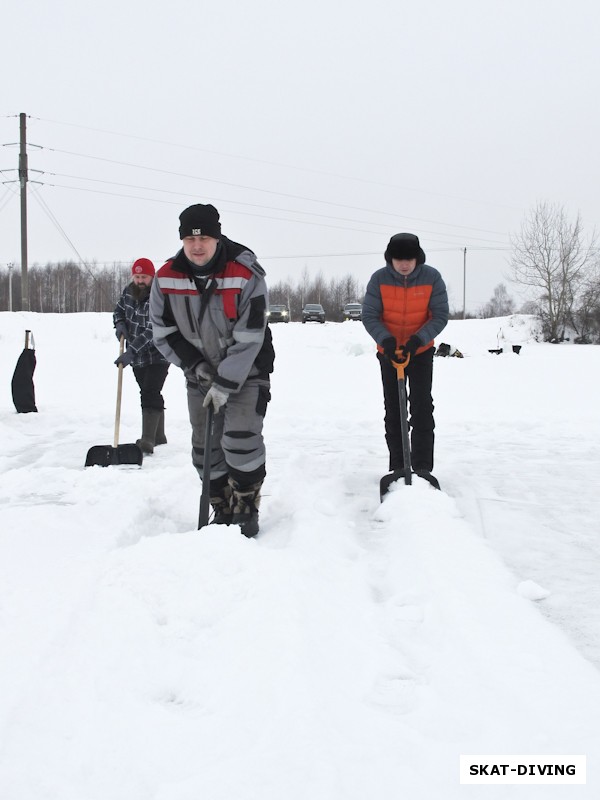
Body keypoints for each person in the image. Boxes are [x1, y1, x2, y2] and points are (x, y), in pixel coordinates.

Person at [150, 203, 274, 537]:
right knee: (205, 449)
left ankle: (245, 505)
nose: (197, 245)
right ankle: (221, 504)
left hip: (247, 371)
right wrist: (196, 366)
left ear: (216, 238)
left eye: (204, 237)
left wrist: (225, 381)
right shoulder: (165, 278)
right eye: (190, 239)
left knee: (240, 439)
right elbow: (163, 332)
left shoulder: (245, 274)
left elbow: (250, 337)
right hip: (200, 374)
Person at [362, 233, 449, 486]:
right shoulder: (379, 279)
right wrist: (387, 341)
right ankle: (399, 465)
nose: (404, 264)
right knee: (394, 409)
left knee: (422, 407)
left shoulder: (431, 278)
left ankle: (422, 466)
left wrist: (417, 341)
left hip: (420, 352)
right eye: (399, 259)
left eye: (408, 258)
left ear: (417, 258)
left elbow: (440, 315)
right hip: (389, 352)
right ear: (391, 258)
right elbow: (370, 315)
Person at [113, 258, 170, 454]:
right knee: (148, 391)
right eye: (137, 276)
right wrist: (120, 324)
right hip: (137, 358)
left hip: (158, 354)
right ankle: (159, 435)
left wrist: (131, 351)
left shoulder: (159, 296)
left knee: (150, 392)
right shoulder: (129, 291)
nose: (140, 280)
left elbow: (153, 330)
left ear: (151, 276)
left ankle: (148, 439)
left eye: (143, 276)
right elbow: (119, 310)